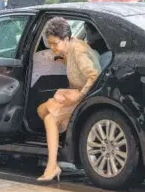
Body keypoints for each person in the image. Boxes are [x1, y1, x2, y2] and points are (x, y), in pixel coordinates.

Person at [37, 17, 101, 182]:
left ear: (66, 39)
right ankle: (52, 165)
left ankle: (52, 166)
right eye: (49, 44)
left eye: (55, 44)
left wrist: (77, 96)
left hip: (86, 98)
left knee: (48, 116)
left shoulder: (78, 50)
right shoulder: (70, 48)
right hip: (76, 94)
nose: (52, 48)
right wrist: (61, 58)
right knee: (43, 112)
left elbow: (94, 76)